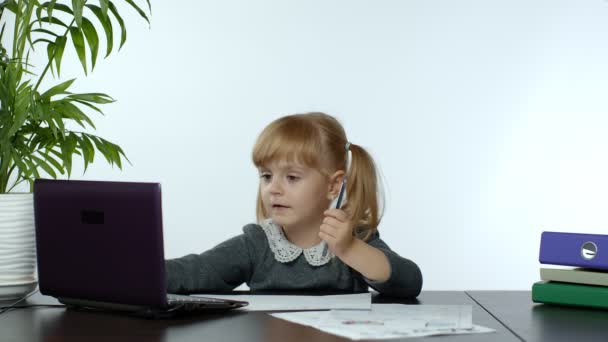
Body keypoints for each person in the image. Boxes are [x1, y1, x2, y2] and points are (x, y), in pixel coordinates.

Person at [165, 112, 422, 297]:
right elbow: (194, 272)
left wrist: (350, 248)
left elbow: (410, 282)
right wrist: (133, 268)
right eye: (266, 176)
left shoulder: (354, 238)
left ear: (333, 186)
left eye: (292, 177)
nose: (273, 189)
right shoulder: (256, 243)